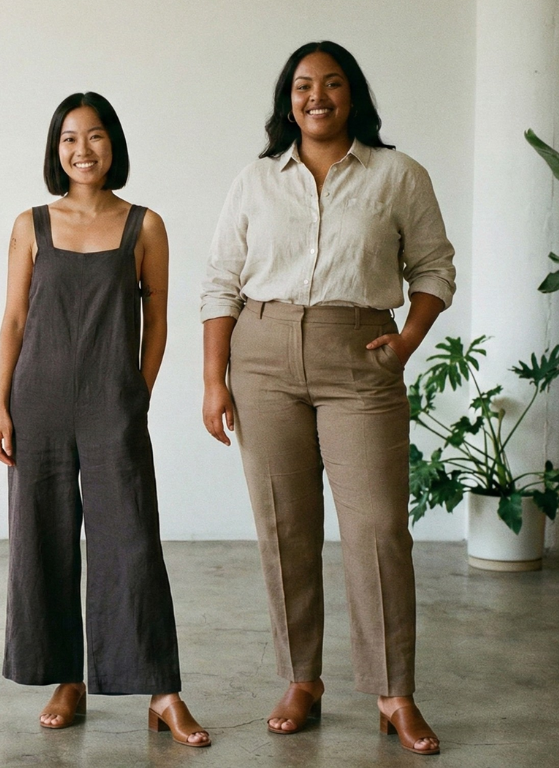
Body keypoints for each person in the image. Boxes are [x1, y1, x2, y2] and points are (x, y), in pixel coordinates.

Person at [200, 41, 454, 756]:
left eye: (332, 83)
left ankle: (393, 691)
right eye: (304, 85)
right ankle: (301, 679)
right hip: (263, 358)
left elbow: (435, 267)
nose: (318, 96)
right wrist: (214, 377)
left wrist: (406, 341)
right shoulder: (256, 180)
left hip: (360, 358)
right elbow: (220, 279)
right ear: (288, 101)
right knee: (286, 529)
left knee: (377, 532)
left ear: (354, 96)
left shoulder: (397, 175)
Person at [0, 92, 209, 749]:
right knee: (44, 539)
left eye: (94, 137)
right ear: (56, 151)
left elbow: (160, 316)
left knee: (130, 541)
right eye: (68, 139)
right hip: (39, 399)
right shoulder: (31, 224)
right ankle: (66, 679)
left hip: (112, 401)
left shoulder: (146, 225)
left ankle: (161, 691)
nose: (82, 150)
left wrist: (134, 391)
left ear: (113, 144)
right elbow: (13, 320)